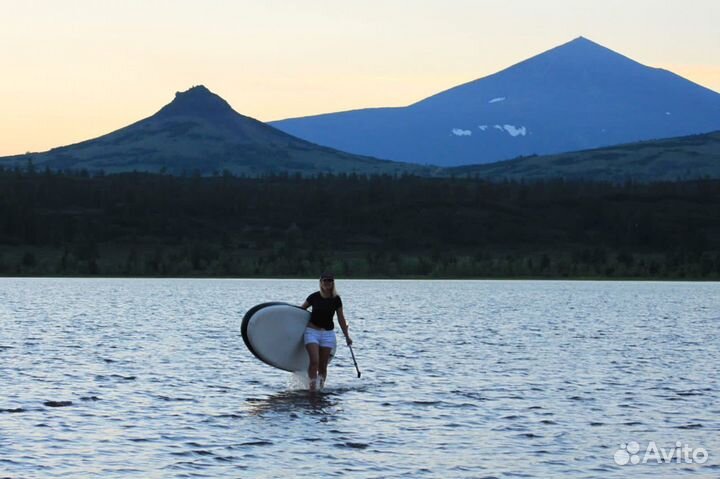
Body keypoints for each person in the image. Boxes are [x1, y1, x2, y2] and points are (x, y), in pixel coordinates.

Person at [300, 272, 352, 391]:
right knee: (315, 362)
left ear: (333, 283)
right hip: (312, 332)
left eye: (330, 280)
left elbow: (341, 318)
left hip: (328, 334)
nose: (327, 283)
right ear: (320, 282)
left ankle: (321, 388)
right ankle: (312, 388)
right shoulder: (314, 297)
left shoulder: (336, 299)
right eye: (325, 280)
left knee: (323, 365)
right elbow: (301, 310)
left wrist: (347, 336)